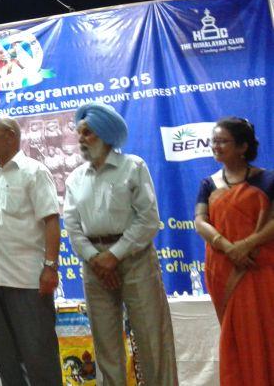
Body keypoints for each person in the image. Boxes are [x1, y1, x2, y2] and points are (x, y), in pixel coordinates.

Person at [63, 102, 177, 386]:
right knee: (105, 343)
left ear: (105, 134)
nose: (81, 139)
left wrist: (114, 255)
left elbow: (149, 219)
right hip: (94, 266)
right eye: (79, 133)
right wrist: (95, 258)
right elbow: (73, 226)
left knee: (152, 338)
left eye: (87, 133)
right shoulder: (75, 178)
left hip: (135, 258)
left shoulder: (132, 166)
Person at [0, 116, 63, 386]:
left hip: (28, 281)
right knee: (6, 360)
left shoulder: (34, 171)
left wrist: (50, 267)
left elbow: (51, 221)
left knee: (39, 357)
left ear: (10, 135)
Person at [194, 117, 274, 386]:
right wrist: (228, 247)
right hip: (223, 269)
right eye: (213, 141)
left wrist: (247, 244)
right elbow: (200, 221)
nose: (215, 146)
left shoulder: (267, 181)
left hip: (258, 269)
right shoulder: (209, 184)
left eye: (222, 141)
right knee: (235, 336)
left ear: (242, 146)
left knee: (265, 333)